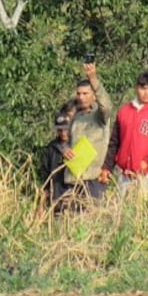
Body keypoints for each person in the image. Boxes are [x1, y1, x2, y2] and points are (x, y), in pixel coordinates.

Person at [100, 71, 148, 190]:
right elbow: (114, 142)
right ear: (136, 88)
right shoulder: (124, 111)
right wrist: (107, 167)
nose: (146, 93)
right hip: (124, 175)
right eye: (143, 88)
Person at [63, 61, 113, 201]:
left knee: (93, 218)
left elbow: (106, 105)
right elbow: (65, 141)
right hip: (74, 178)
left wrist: (93, 78)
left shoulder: (100, 116)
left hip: (93, 178)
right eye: (79, 94)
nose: (81, 97)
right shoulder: (75, 117)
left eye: (86, 93)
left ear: (94, 96)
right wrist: (65, 150)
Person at [38, 112, 73, 214]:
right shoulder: (50, 149)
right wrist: (41, 205)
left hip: (74, 202)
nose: (63, 133)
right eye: (60, 130)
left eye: (66, 129)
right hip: (55, 203)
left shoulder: (77, 146)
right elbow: (45, 179)